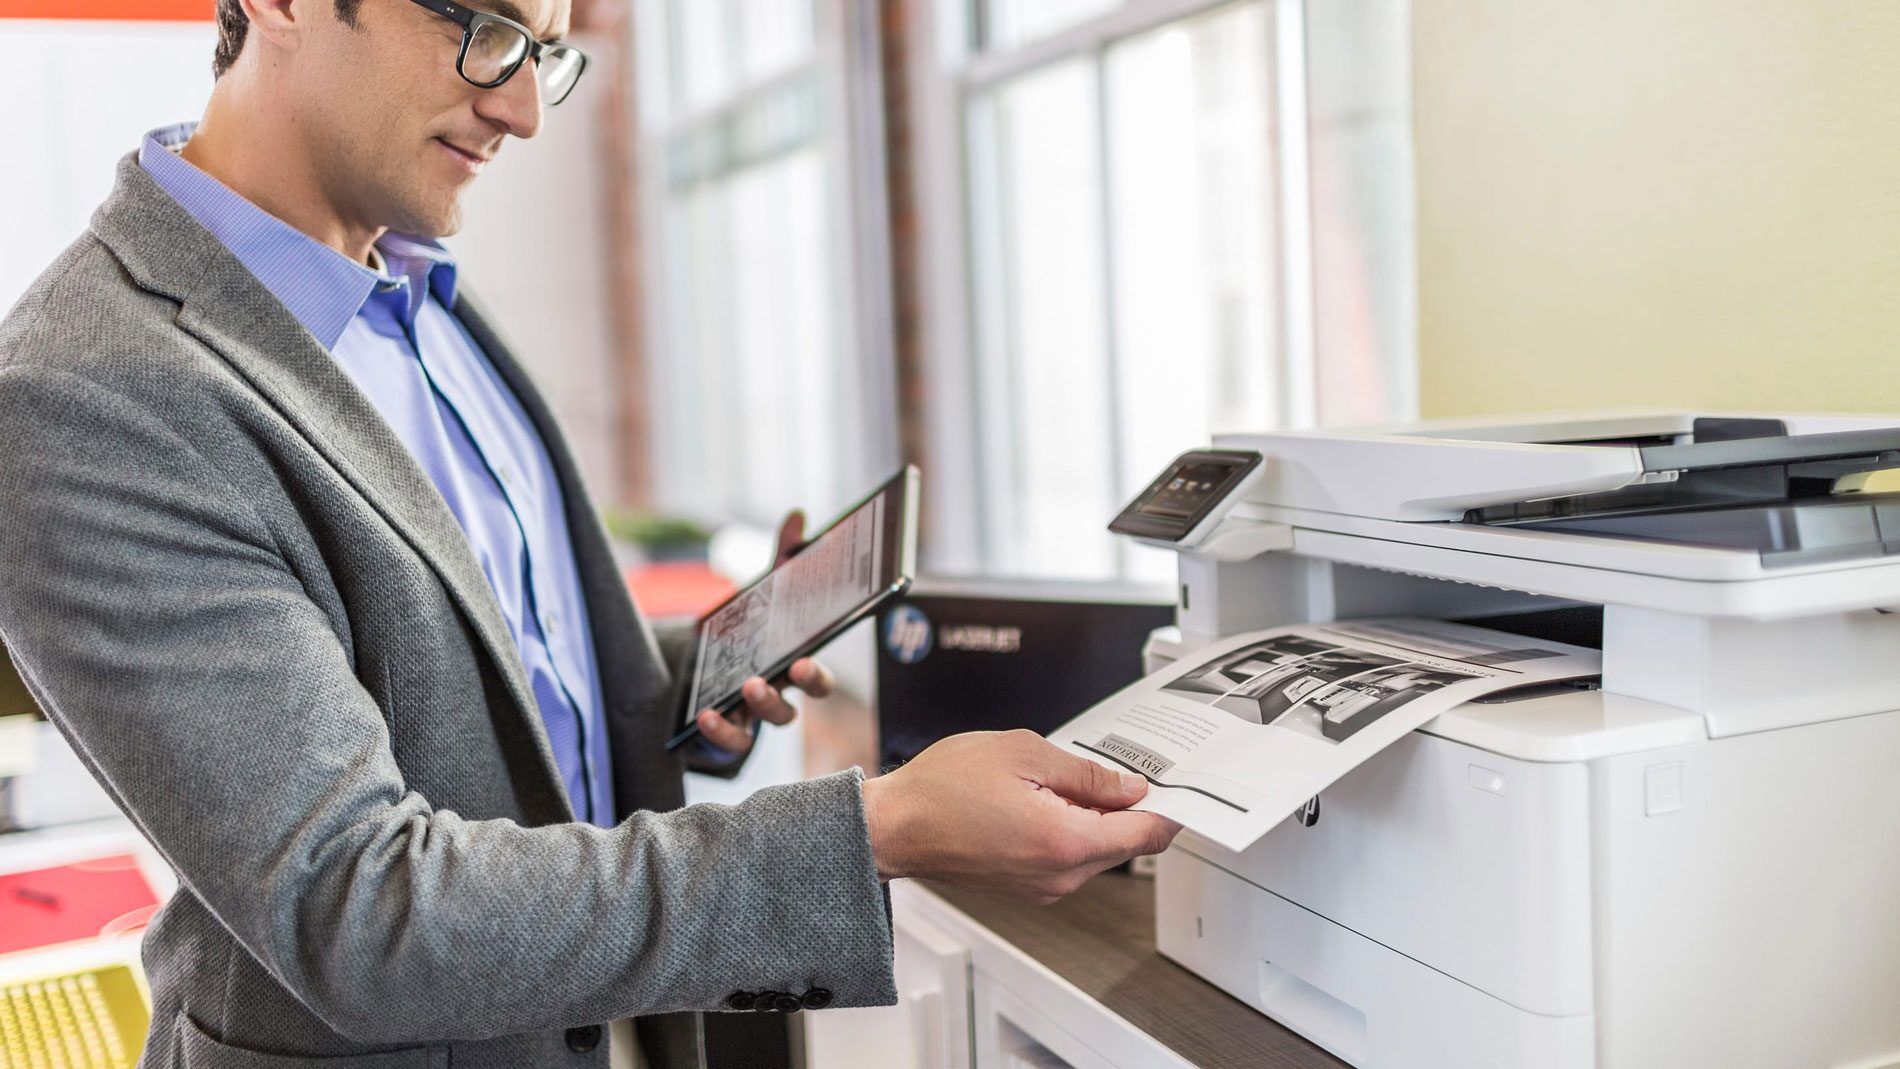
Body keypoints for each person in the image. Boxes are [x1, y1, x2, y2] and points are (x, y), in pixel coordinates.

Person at [0, 0, 1179, 1066]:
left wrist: (672, 687)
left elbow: (491, 671)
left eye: (545, 56)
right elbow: (361, 912)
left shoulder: (418, 293)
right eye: (485, 32)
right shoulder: (86, 394)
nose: (519, 108)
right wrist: (880, 828)